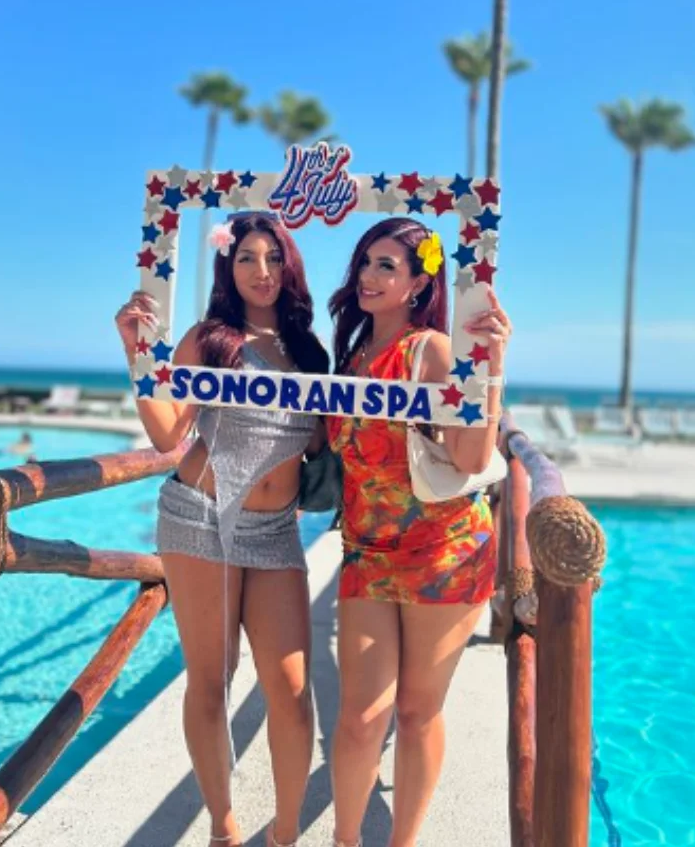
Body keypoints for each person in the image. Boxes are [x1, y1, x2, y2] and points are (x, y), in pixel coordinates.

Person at [115, 211, 329, 847]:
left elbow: (326, 441)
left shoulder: (311, 352)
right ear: (227, 268)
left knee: (292, 690)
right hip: (199, 518)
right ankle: (224, 829)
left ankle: (284, 834)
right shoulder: (211, 340)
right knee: (213, 680)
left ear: (289, 265)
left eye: (273, 257)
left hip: (276, 531)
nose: (261, 271)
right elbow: (166, 433)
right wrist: (135, 350)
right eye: (246, 258)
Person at [326, 217, 512, 847]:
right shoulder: (350, 357)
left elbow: (470, 456)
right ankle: (345, 839)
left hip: (443, 551)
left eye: (387, 266)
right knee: (359, 718)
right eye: (365, 262)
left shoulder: (429, 349)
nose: (369, 275)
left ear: (417, 283)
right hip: (366, 551)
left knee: (415, 711)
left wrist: (491, 365)